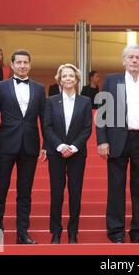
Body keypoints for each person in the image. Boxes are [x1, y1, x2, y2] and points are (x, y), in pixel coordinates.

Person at [95, 44, 139, 243]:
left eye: (138, 57)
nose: (134, 60)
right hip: (117, 140)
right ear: (124, 61)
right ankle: (116, 232)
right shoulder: (112, 81)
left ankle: (138, 233)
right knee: (116, 187)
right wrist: (102, 140)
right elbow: (101, 113)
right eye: (130, 57)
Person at [0, 49, 47, 245]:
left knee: (25, 192)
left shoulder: (39, 88)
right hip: (5, 145)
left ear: (30, 65)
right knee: (0, 190)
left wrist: (45, 144)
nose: (22, 65)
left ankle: (22, 233)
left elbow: (44, 119)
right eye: (18, 62)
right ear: (12, 65)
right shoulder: (0, 87)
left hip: (30, 146)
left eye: (25, 62)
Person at [44, 64, 92, 244]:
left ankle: (73, 232)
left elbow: (87, 128)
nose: (68, 79)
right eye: (64, 76)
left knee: (75, 193)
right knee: (56, 193)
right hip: (56, 153)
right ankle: (56, 232)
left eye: (71, 76)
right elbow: (47, 127)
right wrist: (60, 146)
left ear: (77, 79)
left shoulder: (85, 101)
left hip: (77, 154)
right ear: (59, 80)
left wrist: (73, 147)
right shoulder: (51, 101)